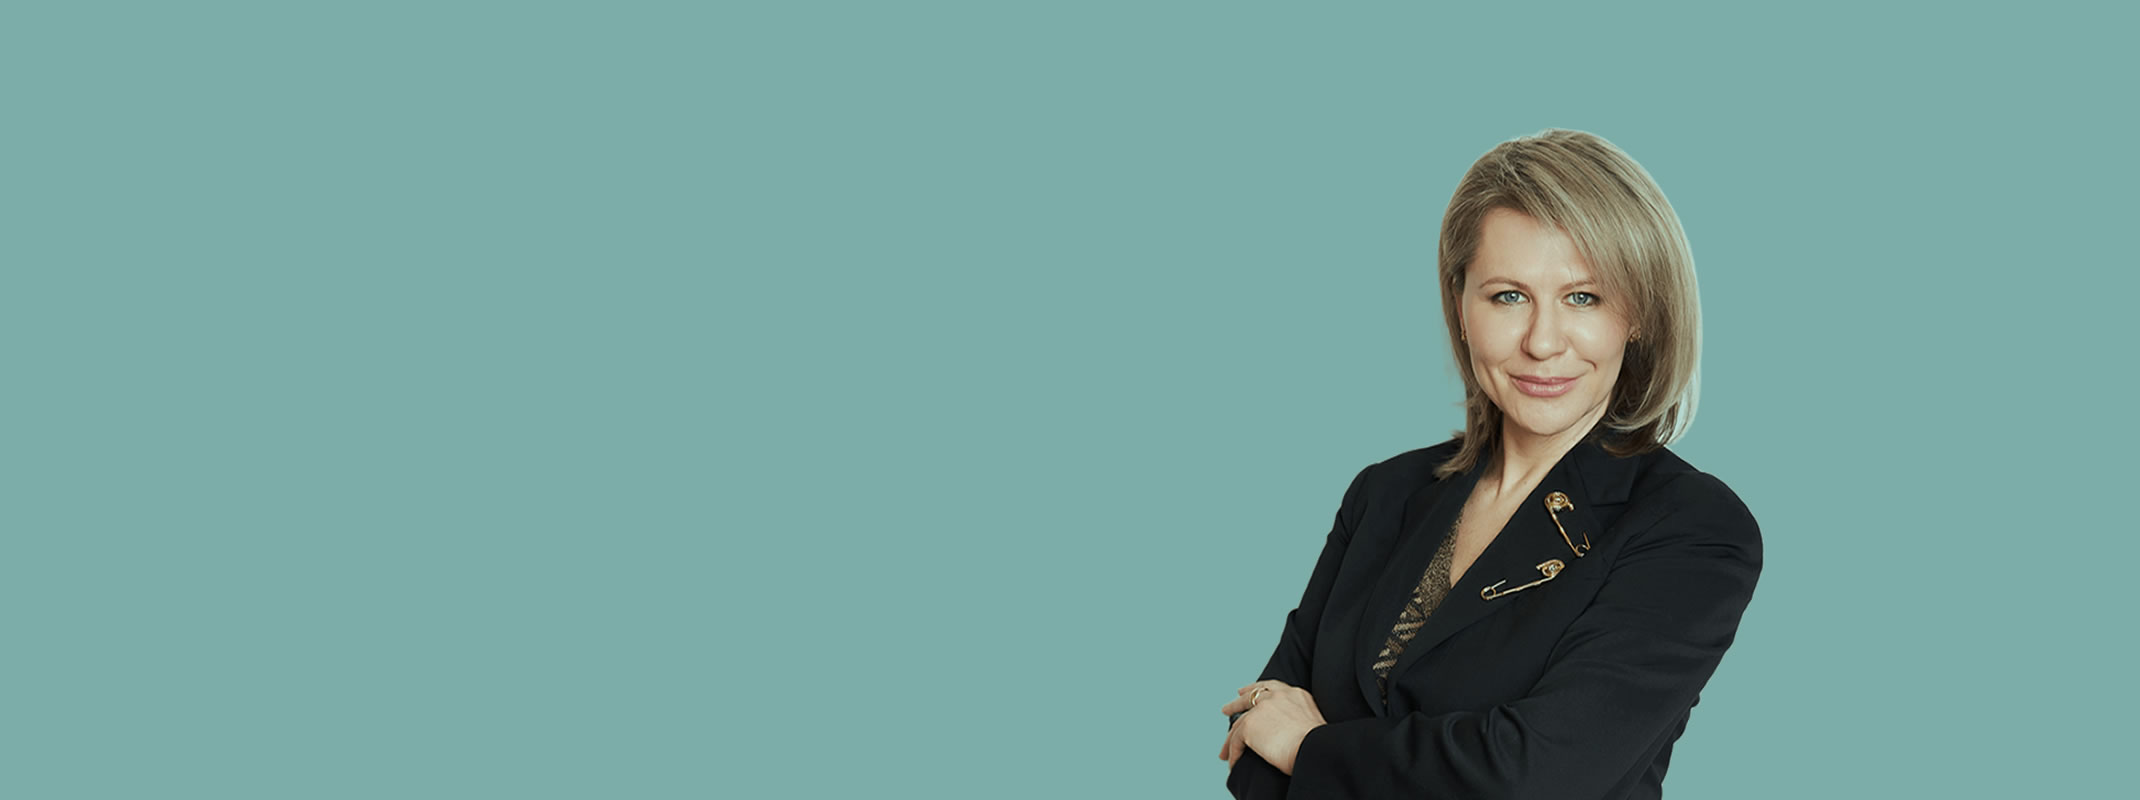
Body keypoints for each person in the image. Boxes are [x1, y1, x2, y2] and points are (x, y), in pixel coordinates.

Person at [1216, 129, 1762, 799]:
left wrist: (1310, 748)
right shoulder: (1385, 492)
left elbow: (1535, 778)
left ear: (1639, 315)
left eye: (1583, 298)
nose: (1542, 341)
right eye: (1508, 296)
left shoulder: (1691, 529)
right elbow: (1253, 750)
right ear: (1461, 306)